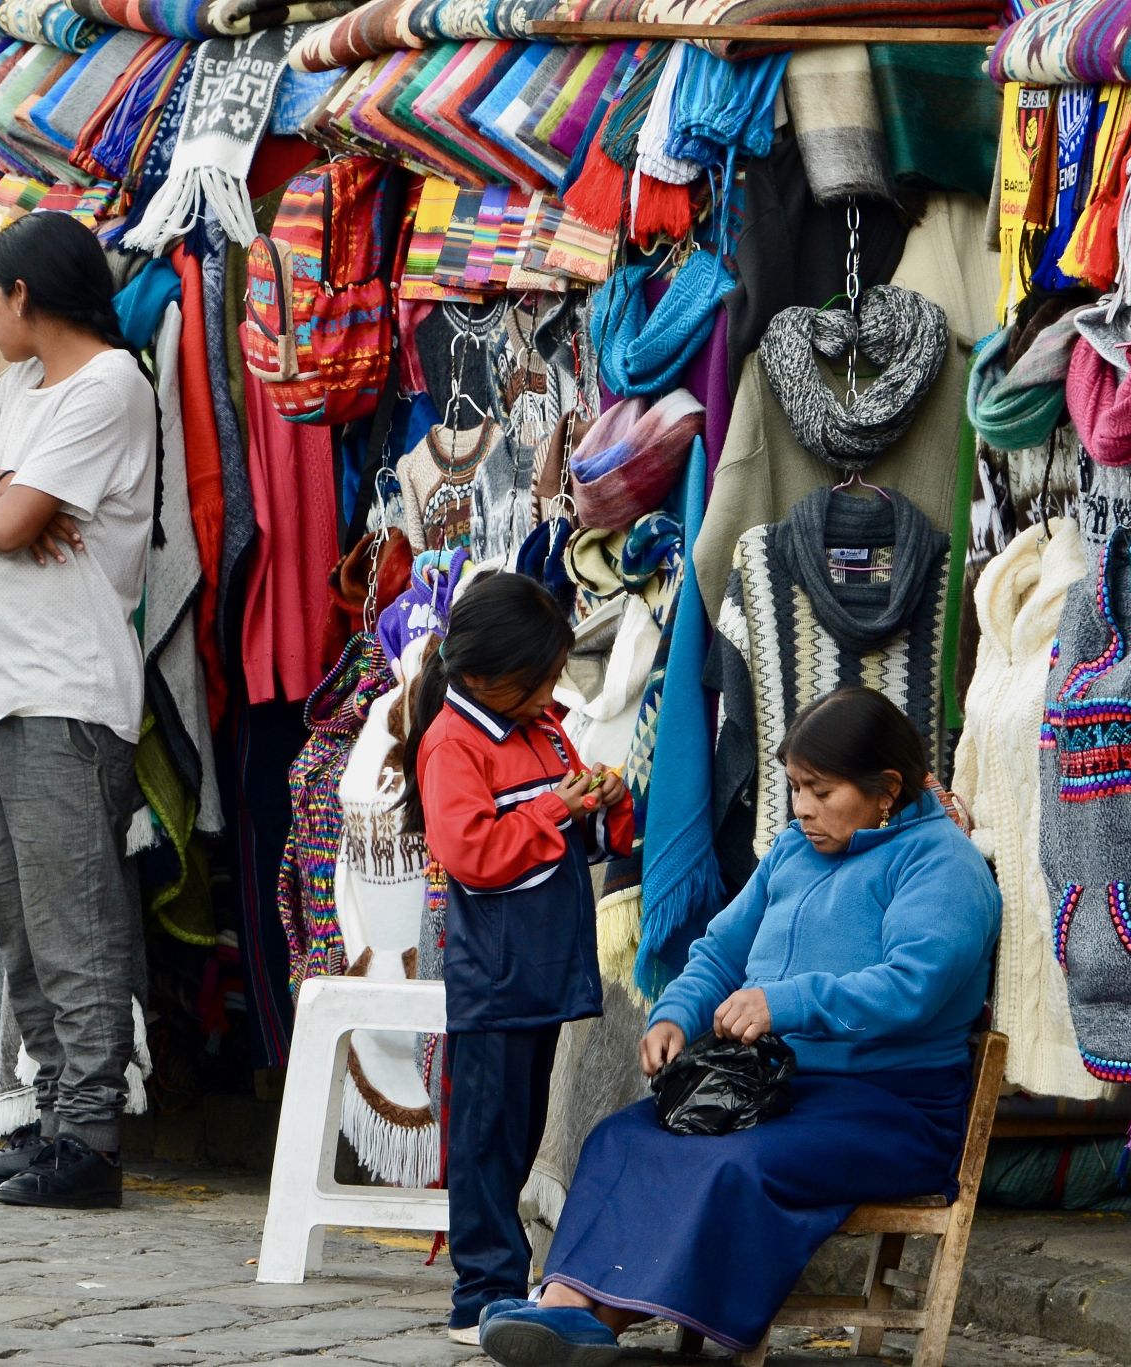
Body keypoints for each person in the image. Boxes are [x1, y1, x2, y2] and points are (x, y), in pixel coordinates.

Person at [479, 687, 1002, 1367]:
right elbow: (722, 950)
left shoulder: (941, 865)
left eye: (821, 790)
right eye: (794, 788)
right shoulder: (792, 851)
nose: (803, 808)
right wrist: (676, 1013)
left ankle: (587, 1317)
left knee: (730, 1161)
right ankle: (566, 1307)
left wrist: (783, 1002)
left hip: (891, 1108)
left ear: (887, 789)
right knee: (624, 1135)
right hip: (779, 1091)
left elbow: (914, 987)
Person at [0, 210, 157, 1210]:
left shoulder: (109, 384)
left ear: (24, 297)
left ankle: (89, 1140)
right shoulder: (16, 387)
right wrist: (1, 486)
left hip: (70, 689)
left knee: (74, 923)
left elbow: (0, 526)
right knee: (16, 914)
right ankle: (51, 1119)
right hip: (5, 689)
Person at [398, 572, 634, 1345]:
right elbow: (470, 851)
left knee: (521, 1129)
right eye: (534, 680)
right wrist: (554, 807)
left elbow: (576, 833)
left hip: (542, 969)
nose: (547, 694)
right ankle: (483, 1293)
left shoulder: (541, 727)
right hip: (494, 977)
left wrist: (603, 801)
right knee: (486, 1141)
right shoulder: (452, 742)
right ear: (479, 676)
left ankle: (503, 1283)